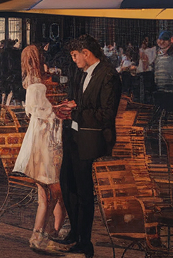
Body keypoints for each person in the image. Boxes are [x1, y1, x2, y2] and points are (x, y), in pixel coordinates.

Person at [51, 35, 121, 258]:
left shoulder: (108, 75)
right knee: (67, 184)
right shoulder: (82, 74)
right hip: (73, 135)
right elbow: (80, 102)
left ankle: (85, 240)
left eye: (75, 55)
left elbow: (106, 115)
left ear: (86, 53)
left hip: (91, 139)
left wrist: (76, 112)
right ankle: (75, 232)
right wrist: (67, 106)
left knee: (83, 190)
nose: (74, 60)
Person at [13, 44, 65, 252]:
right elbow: (43, 112)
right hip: (44, 140)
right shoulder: (35, 86)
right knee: (51, 189)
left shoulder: (33, 83)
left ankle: (51, 230)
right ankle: (41, 232)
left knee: (51, 191)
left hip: (41, 138)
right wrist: (59, 110)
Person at [137, 36, 157, 103]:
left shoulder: (152, 50)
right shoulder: (141, 50)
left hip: (148, 71)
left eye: (146, 41)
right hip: (142, 71)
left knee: (148, 87)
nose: (144, 43)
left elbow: (152, 60)